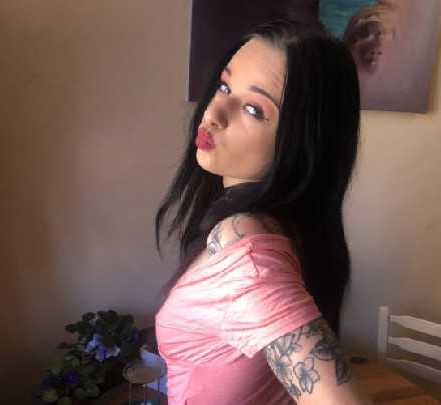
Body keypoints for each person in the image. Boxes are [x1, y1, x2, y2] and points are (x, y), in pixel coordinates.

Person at [155, 19, 371, 404]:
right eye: (225, 86)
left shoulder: (243, 247)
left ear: (302, 144)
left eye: (254, 109)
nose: (214, 112)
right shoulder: (287, 225)